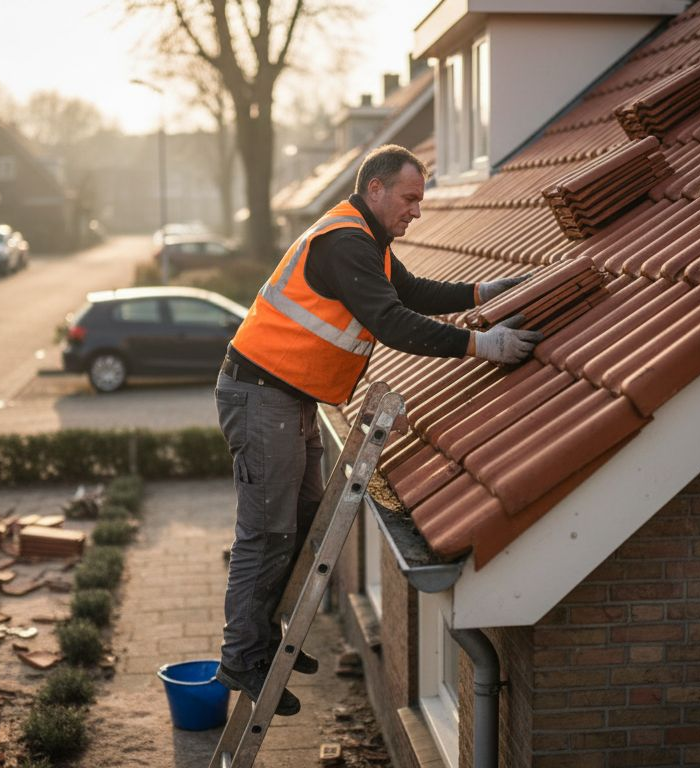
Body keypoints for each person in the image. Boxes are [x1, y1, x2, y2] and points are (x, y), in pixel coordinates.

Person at [214, 144, 541, 715]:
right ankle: (242, 654)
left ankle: (263, 641)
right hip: (260, 396)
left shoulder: (369, 245)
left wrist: (480, 295)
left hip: (289, 398)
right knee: (267, 530)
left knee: (301, 520)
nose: (417, 210)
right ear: (376, 190)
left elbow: (410, 292)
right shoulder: (345, 243)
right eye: (410, 198)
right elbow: (390, 320)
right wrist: (479, 344)